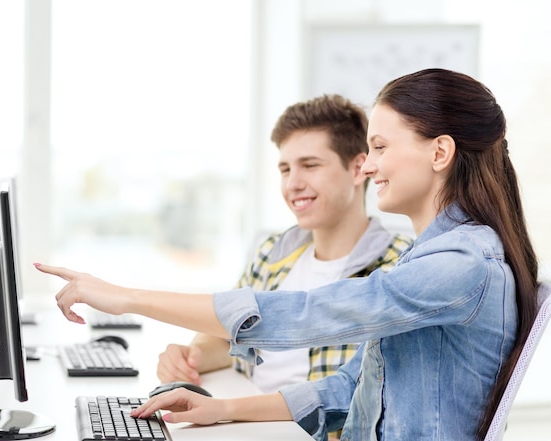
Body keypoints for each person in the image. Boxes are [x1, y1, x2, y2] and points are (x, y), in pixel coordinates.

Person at [35, 68, 539, 441]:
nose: (370, 167)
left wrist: (123, 297)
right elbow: (351, 387)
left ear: (439, 152)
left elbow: (309, 313)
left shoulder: (461, 263)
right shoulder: (435, 256)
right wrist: (225, 411)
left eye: (381, 148)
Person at [155, 94, 412, 396]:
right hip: (249, 420)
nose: (293, 184)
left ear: (358, 169)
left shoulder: (400, 264)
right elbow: (225, 334)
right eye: (285, 169)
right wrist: (190, 357)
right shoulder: (273, 252)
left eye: (310, 165)